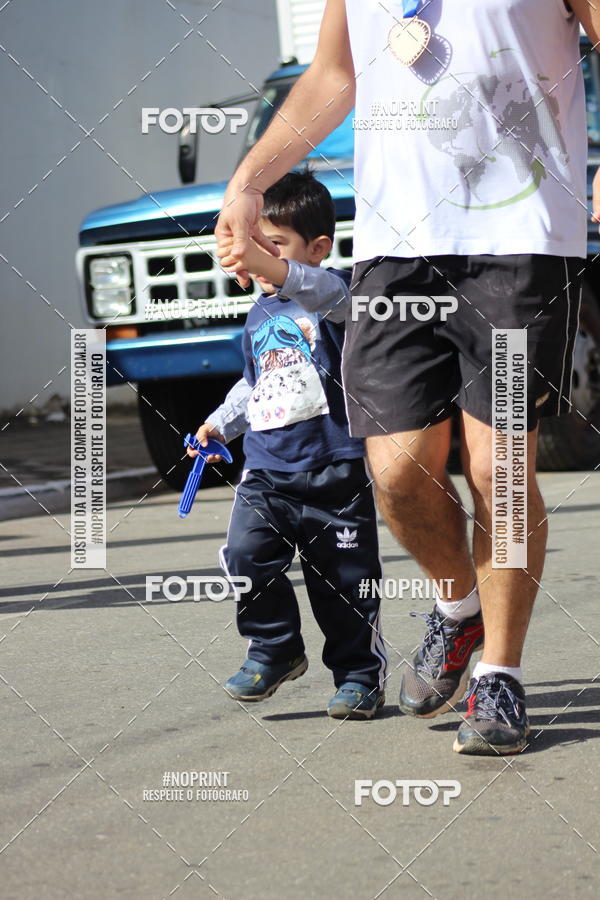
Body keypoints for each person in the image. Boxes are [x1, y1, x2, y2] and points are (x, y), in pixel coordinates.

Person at [214, 0, 597, 754]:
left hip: (520, 240)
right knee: (395, 475)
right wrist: (250, 182)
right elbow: (334, 72)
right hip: (393, 250)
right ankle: (459, 609)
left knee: (501, 469)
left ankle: (500, 677)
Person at [189, 169, 387, 719]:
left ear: (317, 248)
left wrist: (279, 270)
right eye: (251, 245)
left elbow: (326, 292)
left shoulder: (334, 297)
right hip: (266, 472)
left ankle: (359, 677)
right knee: (245, 556)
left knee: (345, 584)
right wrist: (218, 423)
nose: (256, 258)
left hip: (335, 472)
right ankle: (275, 648)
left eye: (272, 246)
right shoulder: (258, 314)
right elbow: (256, 383)